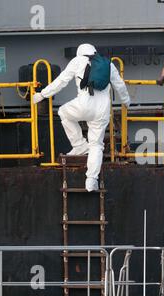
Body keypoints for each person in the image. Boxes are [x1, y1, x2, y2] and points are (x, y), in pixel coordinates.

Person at [32, 43, 130, 191]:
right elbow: (120, 86)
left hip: (84, 104)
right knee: (96, 145)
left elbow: (60, 82)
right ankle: (91, 180)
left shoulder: (77, 61)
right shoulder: (108, 64)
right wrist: (126, 102)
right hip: (102, 110)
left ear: (80, 53)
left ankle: (79, 144)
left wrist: (41, 95)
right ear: (95, 52)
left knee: (63, 112)